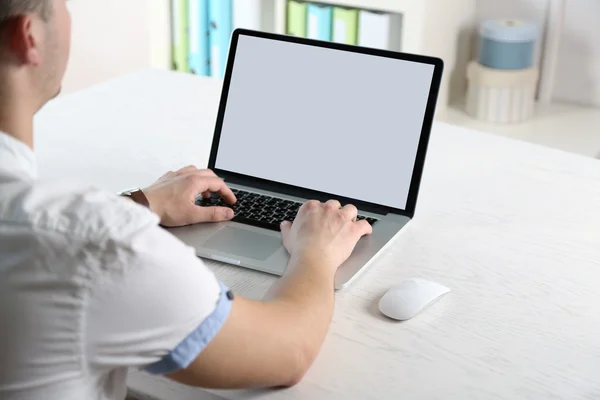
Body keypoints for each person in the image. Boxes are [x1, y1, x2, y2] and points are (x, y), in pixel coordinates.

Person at [0, 1, 373, 399]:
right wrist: (315, 253)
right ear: (29, 38)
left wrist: (139, 203)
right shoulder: (97, 243)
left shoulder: (57, 230)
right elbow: (288, 352)